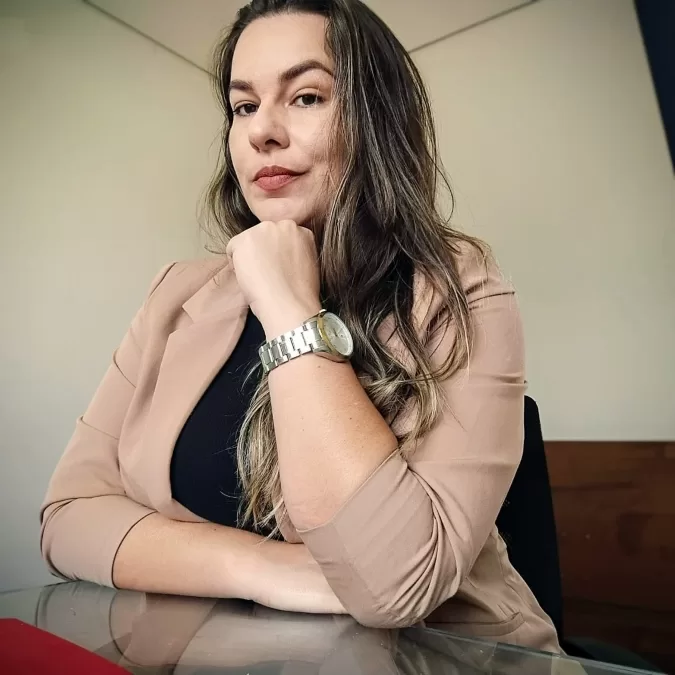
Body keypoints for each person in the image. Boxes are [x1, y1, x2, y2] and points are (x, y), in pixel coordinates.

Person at [40, 0, 560, 653]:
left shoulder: (462, 291)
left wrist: (289, 309)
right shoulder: (176, 294)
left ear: (375, 119)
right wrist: (264, 570)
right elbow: (68, 517)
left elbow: (395, 586)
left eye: (306, 96)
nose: (262, 131)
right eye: (243, 106)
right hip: (208, 652)